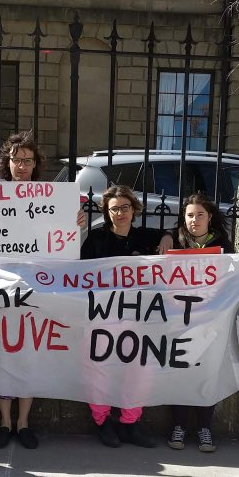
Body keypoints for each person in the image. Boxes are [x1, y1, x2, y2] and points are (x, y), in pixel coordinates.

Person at [0, 130, 85, 451]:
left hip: (35, 288)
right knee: (3, 353)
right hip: (0, 289)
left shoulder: (51, 197)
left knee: (29, 354)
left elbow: (63, 244)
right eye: (17, 160)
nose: (22, 166)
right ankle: (4, 422)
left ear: (36, 164)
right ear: (7, 163)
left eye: (28, 161)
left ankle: (24, 423)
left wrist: (76, 223)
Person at [80, 185, 174, 448]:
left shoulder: (147, 236)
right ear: (106, 212)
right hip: (103, 316)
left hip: (140, 318)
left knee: (139, 370)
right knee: (99, 369)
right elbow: (79, 277)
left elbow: (177, 240)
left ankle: (130, 423)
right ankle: (103, 421)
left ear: (134, 209)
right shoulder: (96, 239)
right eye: (114, 209)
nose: (120, 213)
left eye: (125, 207)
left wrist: (167, 234)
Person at [166, 192, 235, 453]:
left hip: (210, 322)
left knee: (207, 373)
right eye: (190, 215)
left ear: (210, 217)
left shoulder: (223, 246)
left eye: (200, 215)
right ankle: (179, 426)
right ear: (183, 218)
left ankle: (205, 427)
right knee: (180, 373)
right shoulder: (173, 241)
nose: (195, 220)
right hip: (178, 321)